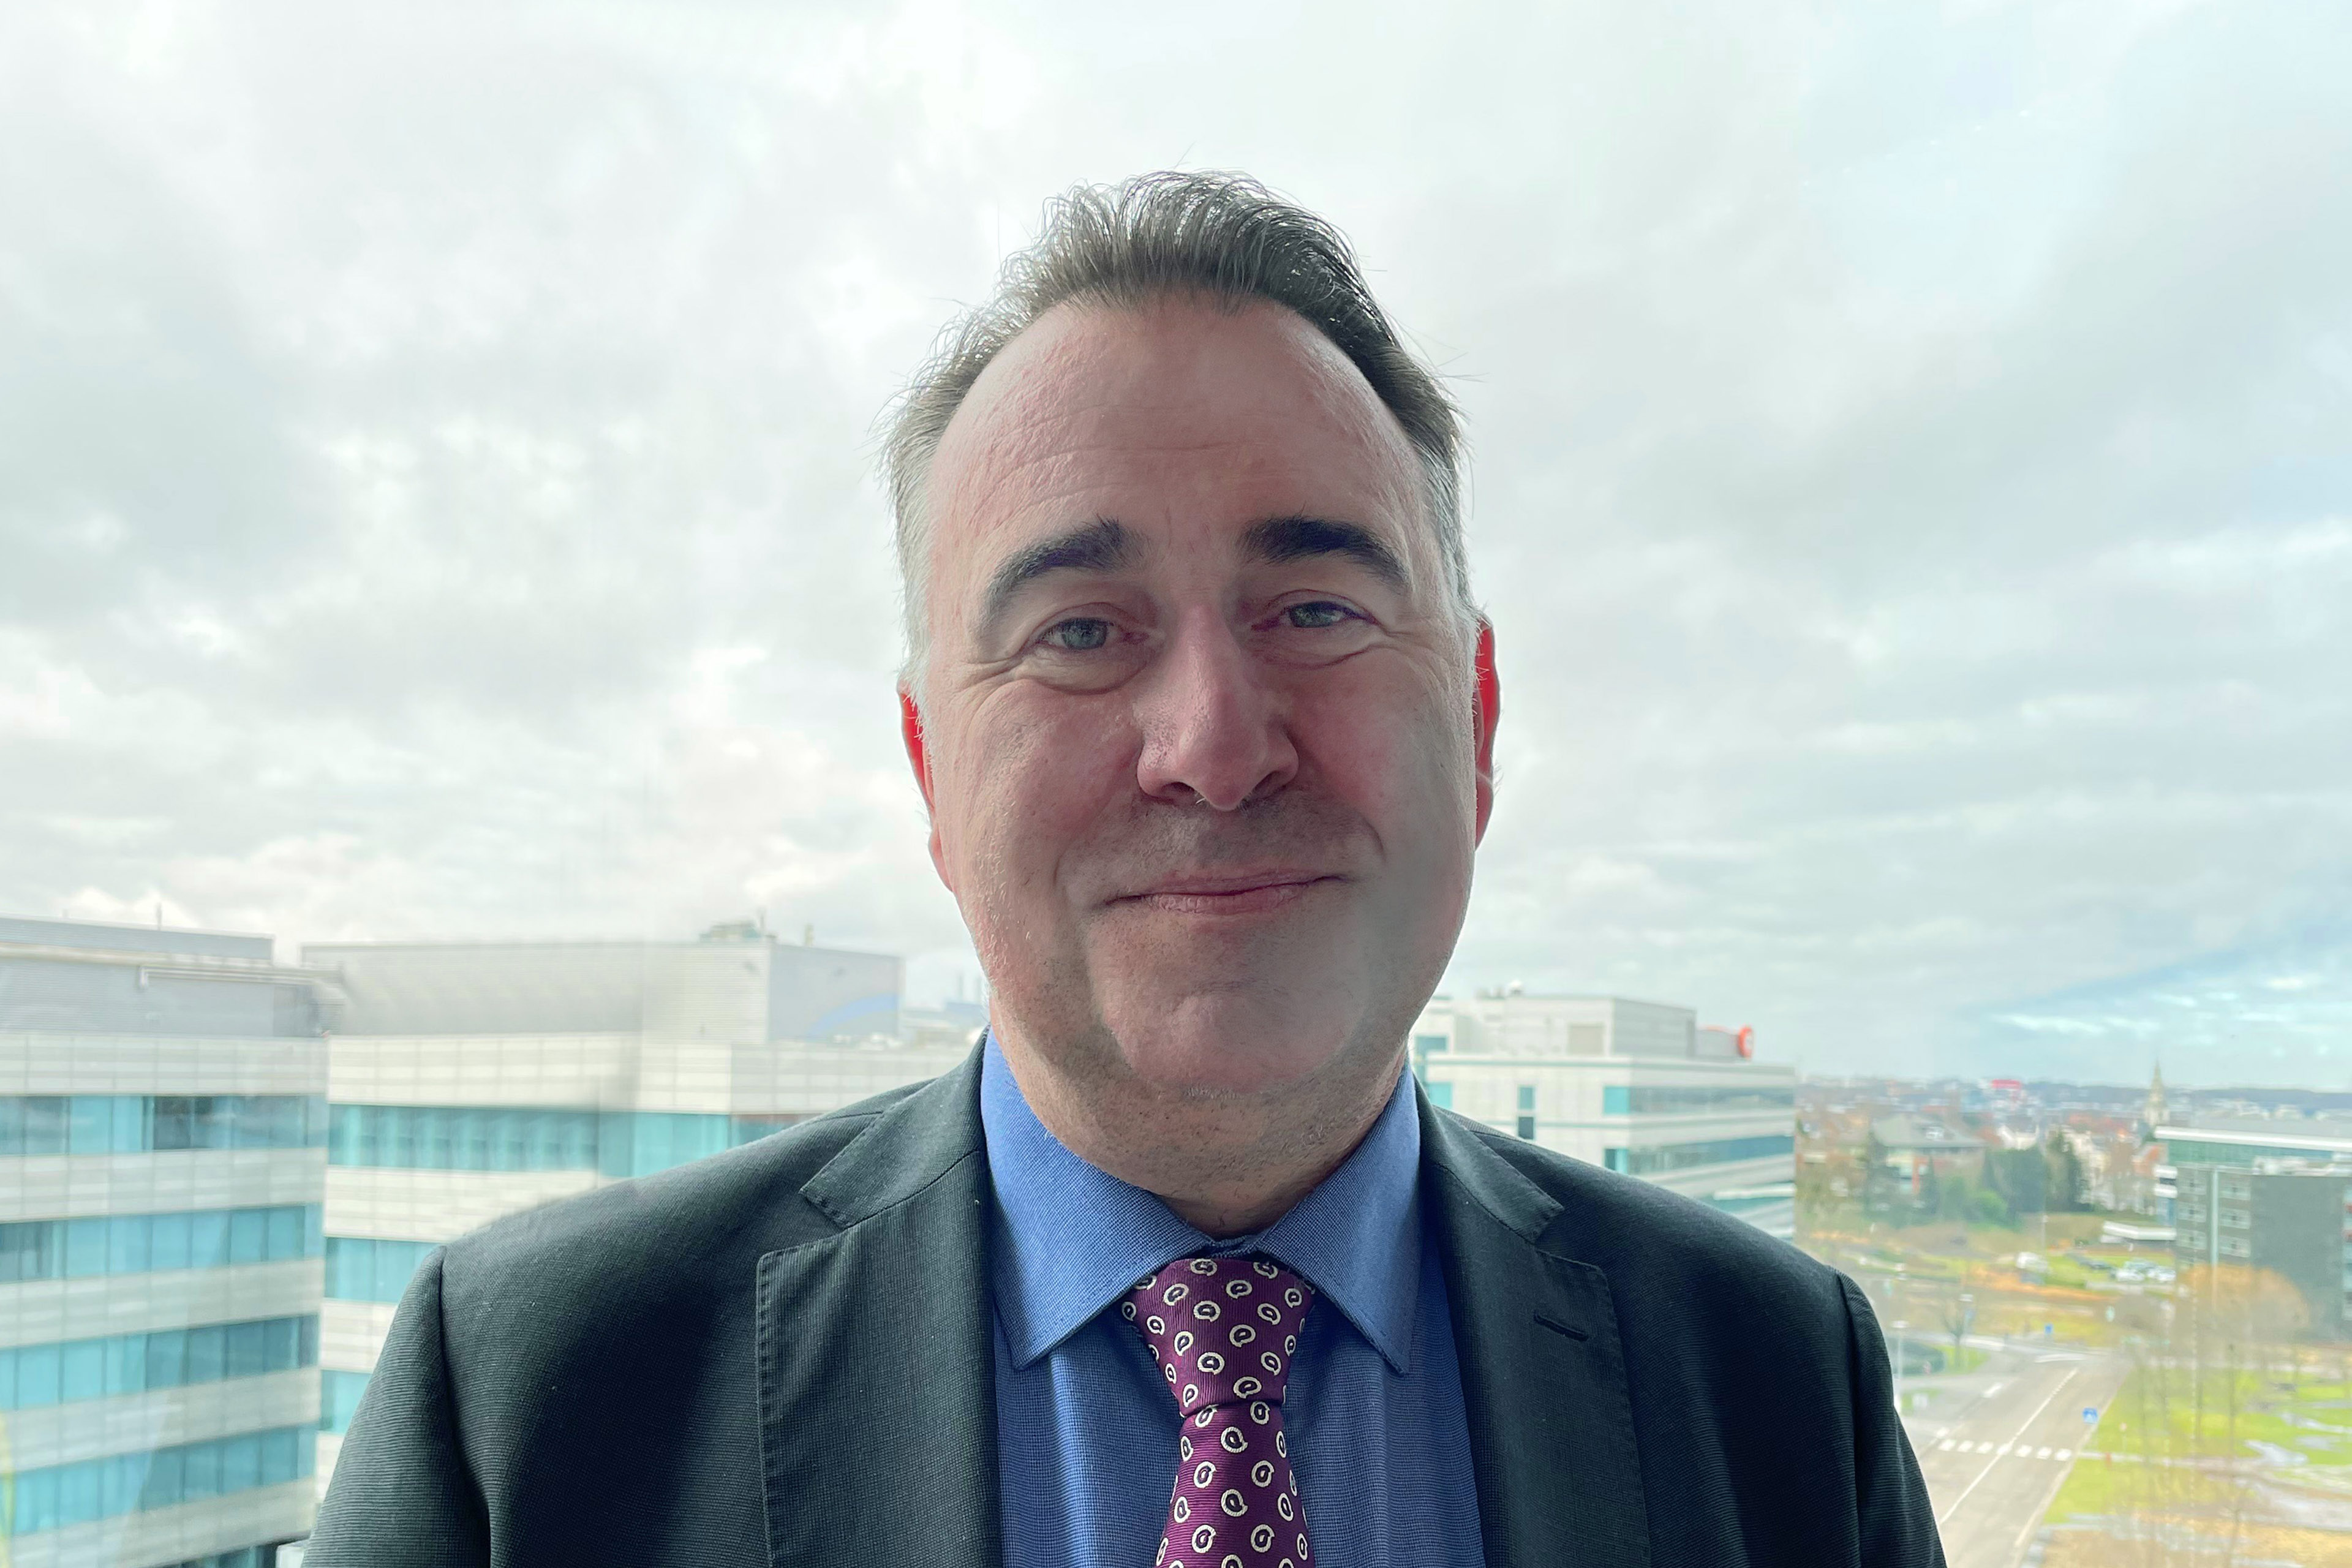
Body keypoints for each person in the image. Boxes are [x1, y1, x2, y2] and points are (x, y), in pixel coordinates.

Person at [307, 171, 1943, 1567]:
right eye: (1080, 633)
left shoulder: (1779, 1385)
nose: (1214, 747)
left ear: (1480, 718)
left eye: (1316, 611)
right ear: (932, 772)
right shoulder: (529, 1407)